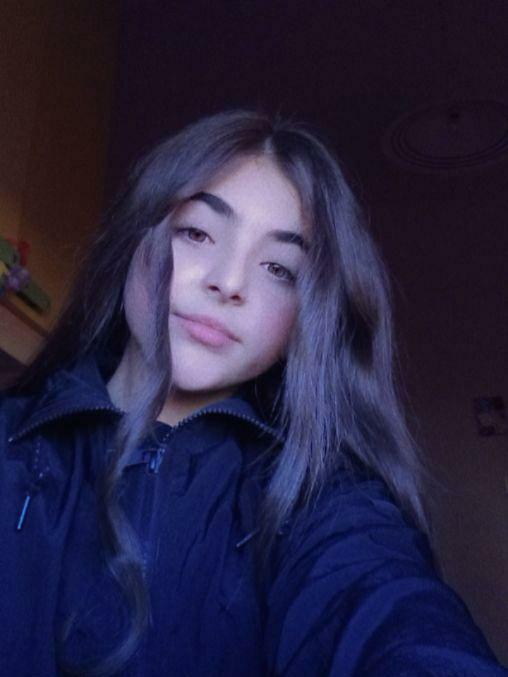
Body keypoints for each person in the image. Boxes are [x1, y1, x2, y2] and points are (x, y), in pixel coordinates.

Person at [0, 110, 505, 677]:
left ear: (303, 321)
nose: (230, 282)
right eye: (196, 233)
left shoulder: (323, 499)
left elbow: (390, 614)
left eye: (279, 269)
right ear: (133, 241)